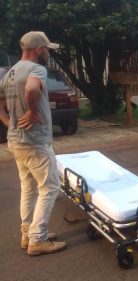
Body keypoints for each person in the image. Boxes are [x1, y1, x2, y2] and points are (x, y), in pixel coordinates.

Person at [0, 31, 66, 255]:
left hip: (16, 141)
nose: (48, 53)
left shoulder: (10, 72)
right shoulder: (37, 69)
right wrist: (33, 111)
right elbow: (31, 89)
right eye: (47, 49)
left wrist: (9, 122)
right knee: (50, 187)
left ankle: (28, 234)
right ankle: (38, 239)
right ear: (39, 49)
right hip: (35, 141)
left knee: (28, 188)